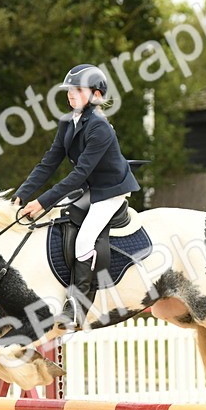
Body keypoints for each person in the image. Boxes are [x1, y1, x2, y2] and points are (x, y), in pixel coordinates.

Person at [13, 64, 140, 330]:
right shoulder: (68, 122)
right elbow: (49, 162)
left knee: (84, 240)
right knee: (57, 222)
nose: (71, 94)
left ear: (95, 94)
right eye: (69, 90)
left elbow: (79, 174)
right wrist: (22, 195)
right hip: (90, 186)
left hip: (110, 190)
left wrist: (41, 202)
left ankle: (77, 307)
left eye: (77, 90)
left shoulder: (100, 128)